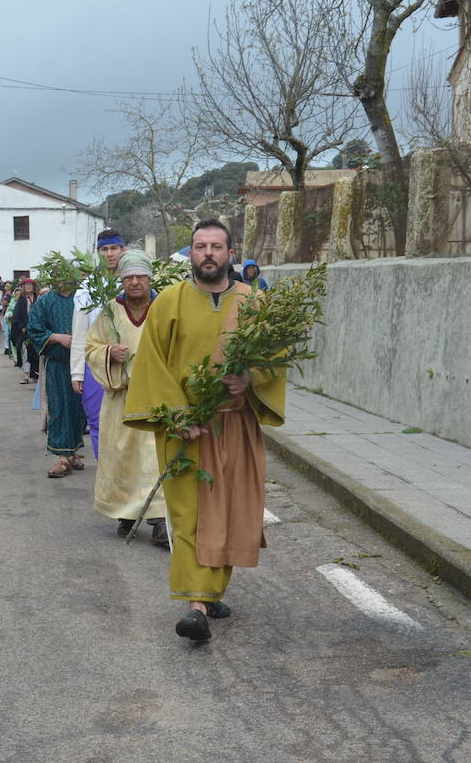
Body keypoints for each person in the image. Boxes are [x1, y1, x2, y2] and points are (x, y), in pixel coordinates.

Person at [124, 219, 286, 643]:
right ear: (191, 254)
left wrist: (250, 379)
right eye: (200, 246)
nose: (208, 253)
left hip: (235, 424)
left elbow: (275, 356)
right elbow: (152, 365)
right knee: (191, 515)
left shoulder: (254, 303)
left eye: (216, 246)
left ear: (231, 254)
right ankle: (196, 607)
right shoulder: (170, 302)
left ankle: (211, 592)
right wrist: (178, 414)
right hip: (185, 429)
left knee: (230, 513)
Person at [83, 250, 169, 546]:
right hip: (121, 398)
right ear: (121, 279)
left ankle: (159, 520)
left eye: (140, 277)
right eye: (128, 277)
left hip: (157, 398)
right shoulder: (110, 311)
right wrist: (109, 353)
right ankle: (126, 514)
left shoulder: (165, 308)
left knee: (154, 457)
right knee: (123, 456)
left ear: (149, 278)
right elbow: (91, 347)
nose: (134, 282)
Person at [71, 229, 126, 464]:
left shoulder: (135, 282)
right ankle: (106, 476)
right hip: (96, 364)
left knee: (131, 422)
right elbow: (80, 331)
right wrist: (77, 371)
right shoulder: (87, 290)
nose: (110, 254)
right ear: (98, 253)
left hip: (129, 362)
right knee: (97, 421)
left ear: (123, 250)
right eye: (105, 249)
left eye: (114, 248)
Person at [27, 276, 85, 476]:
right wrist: (57, 338)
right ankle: (63, 458)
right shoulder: (46, 301)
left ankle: (73, 452)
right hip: (58, 365)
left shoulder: (82, 298)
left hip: (83, 364)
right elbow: (34, 329)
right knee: (59, 408)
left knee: (79, 409)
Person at [9, 279, 39, 382]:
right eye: (27, 285)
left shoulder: (38, 298)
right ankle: (26, 375)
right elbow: (16, 315)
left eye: (30, 285)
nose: (29, 287)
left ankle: (35, 374)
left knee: (35, 353)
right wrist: (21, 327)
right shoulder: (21, 299)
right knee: (25, 352)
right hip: (24, 330)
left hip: (36, 329)